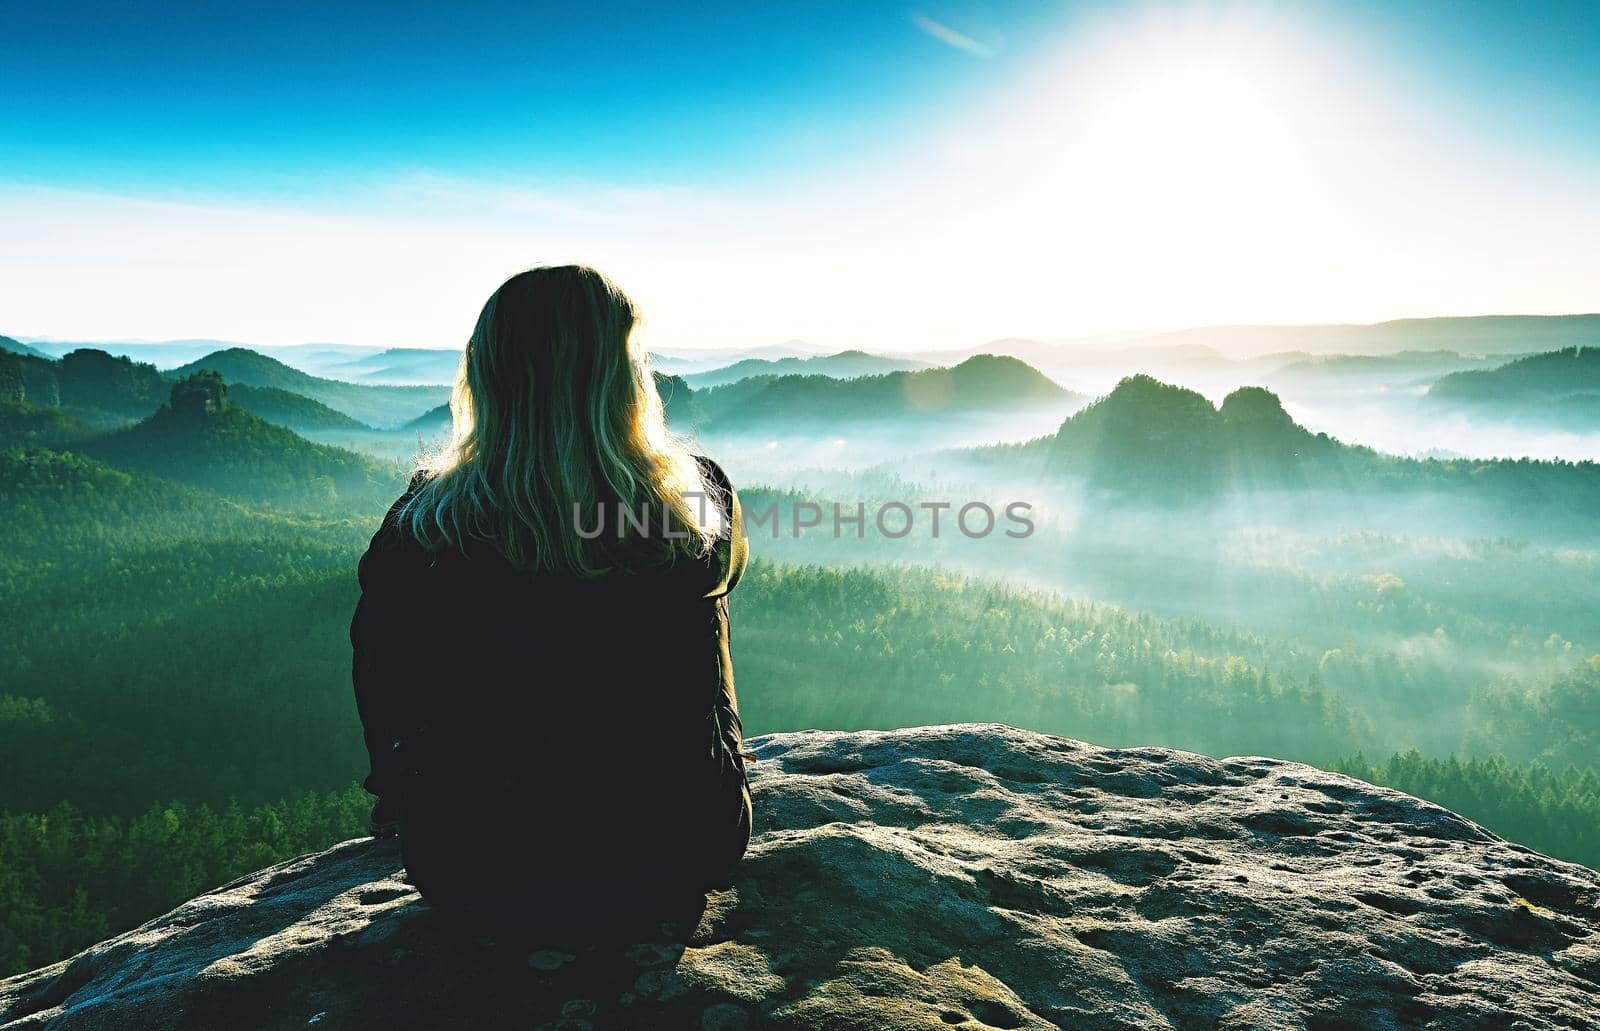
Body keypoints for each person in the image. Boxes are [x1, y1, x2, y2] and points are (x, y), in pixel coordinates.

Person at [350, 265, 751, 941]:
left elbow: (383, 683)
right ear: (624, 379)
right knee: (698, 608)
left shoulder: (420, 529)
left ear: (487, 376)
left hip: (472, 869)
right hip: (671, 856)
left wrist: (404, 798)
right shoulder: (691, 502)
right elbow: (726, 577)